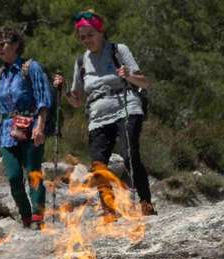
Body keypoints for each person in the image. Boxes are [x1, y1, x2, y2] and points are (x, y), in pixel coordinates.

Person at [52, 10, 157, 218]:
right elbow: (76, 101)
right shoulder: (81, 62)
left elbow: (144, 82)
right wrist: (63, 90)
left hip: (126, 106)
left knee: (130, 155)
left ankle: (145, 202)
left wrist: (128, 75)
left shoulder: (118, 50)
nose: (86, 40)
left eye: (90, 34)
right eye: (82, 37)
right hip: (98, 116)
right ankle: (109, 210)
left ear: (101, 32)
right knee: (98, 164)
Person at [0, 25, 53, 229]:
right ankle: (25, 215)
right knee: (14, 177)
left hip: (31, 128)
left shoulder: (31, 68)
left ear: (15, 45)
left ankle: (38, 216)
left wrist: (40, 126)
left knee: (33, 173)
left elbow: (43, 98)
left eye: (3, 44)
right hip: (6, 132)